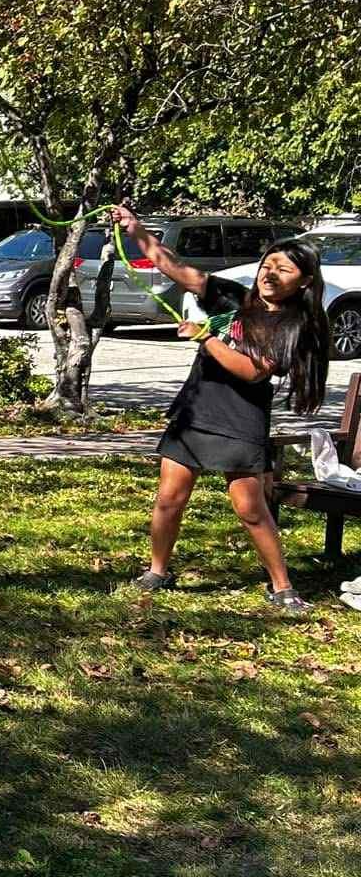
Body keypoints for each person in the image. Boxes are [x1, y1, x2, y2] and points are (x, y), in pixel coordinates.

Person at [118, 208, 329, 612]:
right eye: (268, 265)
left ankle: (281, 586)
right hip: (195, 413)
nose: (270, 274)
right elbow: (173, 266)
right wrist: (137, 231)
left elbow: (253, 371)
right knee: (168, 499)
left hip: (240, 421)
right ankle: (157, 570)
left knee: (251, 509)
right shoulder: (231, 296)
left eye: (283, 270)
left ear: (302, 283)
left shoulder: (292, 325)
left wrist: (206, 338)